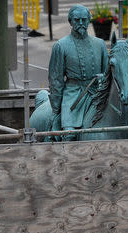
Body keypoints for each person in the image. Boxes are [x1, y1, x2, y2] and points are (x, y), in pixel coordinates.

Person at [48, 4, 108, 141]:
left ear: (88, 20)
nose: (81, 23)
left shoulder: (100, 44)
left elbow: (108, 75)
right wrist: (56, 110)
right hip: (73, 96)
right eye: (77, 20)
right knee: (69, 135)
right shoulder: (61, 46)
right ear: (70, 22)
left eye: (84, 19)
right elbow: (55, 80)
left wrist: (102, 77)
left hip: (97, 96)